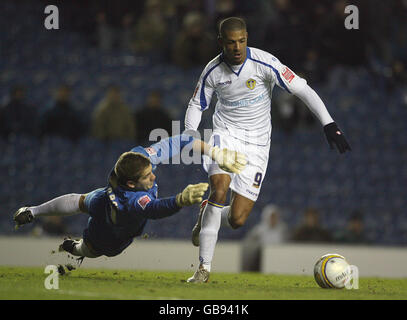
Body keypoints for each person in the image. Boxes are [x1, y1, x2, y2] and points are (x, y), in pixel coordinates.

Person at [184, 17, 351, 283]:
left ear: (247, 38)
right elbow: (196, 105)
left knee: (237, 218)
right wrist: (191, 134)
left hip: (258, 146)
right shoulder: (212, 70)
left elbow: (303, 90)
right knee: (219, 188)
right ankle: (204, 268)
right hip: (225, 136)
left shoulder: (265, 63)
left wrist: (329, 124)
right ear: (221, 43)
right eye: (231, 43)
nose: (237, 47)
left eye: (242, 41)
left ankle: (206, 215)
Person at [13, 134, 247, 261]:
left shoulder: (138, 158)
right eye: (147, 177)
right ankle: (73, 246)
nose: (154, 176)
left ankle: (33, 211)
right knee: (92, 250)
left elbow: (181, 141)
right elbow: (154, 209)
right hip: (111, 234)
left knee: (83, 200)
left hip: (104, 199)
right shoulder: (131, 199)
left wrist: (215, 152)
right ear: (132, 184)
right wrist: (181, 200)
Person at [240, 204, 288, 272]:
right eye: (272, 217)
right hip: (262, 258)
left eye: (275, 216)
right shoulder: (258, 230)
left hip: (279, 257)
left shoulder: (282, 229)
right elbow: (249, 242)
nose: (273, 219)